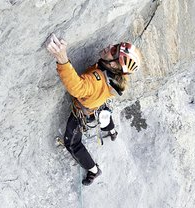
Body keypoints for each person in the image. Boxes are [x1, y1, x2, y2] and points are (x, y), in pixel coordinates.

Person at [46, 34, 141, 185]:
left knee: (72, 143)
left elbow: (78, 88)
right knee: (104, 113)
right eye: (115, 46)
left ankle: (94, 170)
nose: (110, 46)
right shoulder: (115, 78)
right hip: (98, 103)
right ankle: (111, 131)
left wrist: (62, 58)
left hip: (84, 111)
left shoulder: (98, 78)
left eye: (114, 50)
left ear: (114, 65)